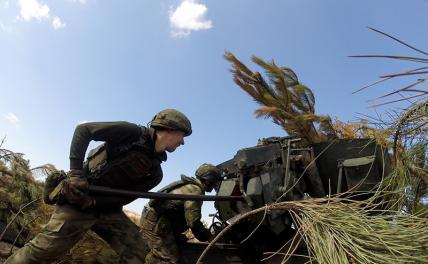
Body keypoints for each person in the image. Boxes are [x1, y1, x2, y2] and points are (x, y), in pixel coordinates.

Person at [5, 109, 192, 264]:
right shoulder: (131, 133)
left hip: (106, 210)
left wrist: (94, 202)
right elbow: (83, 130)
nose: (183, 142)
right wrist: (76, 173)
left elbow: (125, 198)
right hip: (77, 200)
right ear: (170, 128)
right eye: (182, 135)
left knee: (140, 253)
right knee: (43, 251)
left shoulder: (155, 173)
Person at [140, 163, 222, 264]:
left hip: (158, 221)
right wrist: (208, 236)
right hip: (154, 222)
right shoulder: (195, 190)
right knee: (169, 259)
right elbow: (193, 221)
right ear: (210, 179)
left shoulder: (190, 185)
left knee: (166, 254)